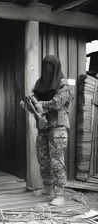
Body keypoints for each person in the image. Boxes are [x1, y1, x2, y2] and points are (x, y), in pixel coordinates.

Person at [31, 55, 74, 206]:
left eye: (50, 65)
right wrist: (30, 105)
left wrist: (41, 105)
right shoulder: (40, 82)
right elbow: (34, 98)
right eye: (45, 64)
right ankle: (48, 187)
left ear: (56, 66)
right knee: (43, 158)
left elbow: (58, 102)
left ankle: (60, 194)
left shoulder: (63, 84)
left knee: (56, 161)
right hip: (43, 126)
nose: (47, 68)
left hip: (58, 127)